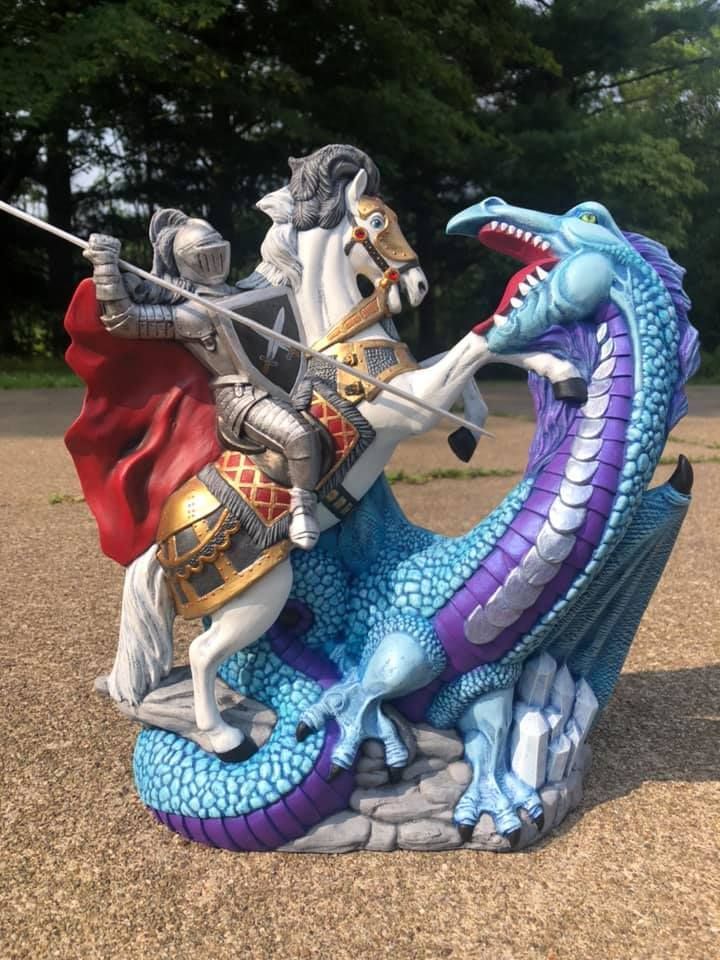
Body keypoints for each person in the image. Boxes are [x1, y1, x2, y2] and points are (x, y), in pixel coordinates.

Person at [83, 208, 322, 549]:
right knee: (299, 437)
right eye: (204, 254)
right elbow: (125, 320)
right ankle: (303, 509)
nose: (215, 260)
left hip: (281, 384)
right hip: (239, 397)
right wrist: (106, 266)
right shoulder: (188, 313)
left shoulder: (246, 291)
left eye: (217, 249)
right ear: (188, 260)